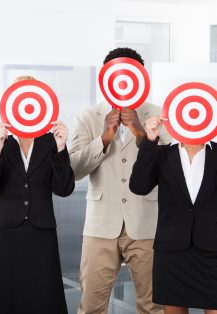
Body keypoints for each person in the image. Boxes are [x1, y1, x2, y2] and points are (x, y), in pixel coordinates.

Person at [69, 47, 171, 314]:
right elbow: (74, 170)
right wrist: (103, 138)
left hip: (146, 222)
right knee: (90, 306)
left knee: (154, 307)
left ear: (141, 76)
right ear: (105, 76)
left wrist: (140, 132)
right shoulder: (88, 116)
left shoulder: (158, 114)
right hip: (100, 225)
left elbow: (170, 169)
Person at [0, 76, 75, 314]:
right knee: (4, 299)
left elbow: (64, 189)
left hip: (41, 234)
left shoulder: (51, 141)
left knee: (42, 300)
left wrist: (61, 147)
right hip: (5, 233)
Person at [129, 116, 217, 314]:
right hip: (172, 248)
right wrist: (150, 141)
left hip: (213, 249)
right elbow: (138, 186)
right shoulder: (161, 153)